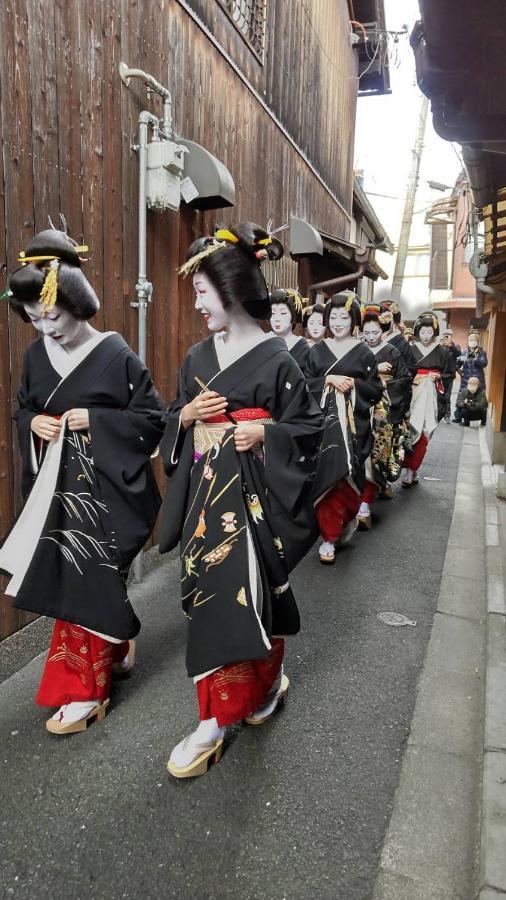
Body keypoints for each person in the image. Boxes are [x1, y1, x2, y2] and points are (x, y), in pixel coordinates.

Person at [158, 223, 323, 779]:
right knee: (211, 600)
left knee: (257, 595)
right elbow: (173, 414)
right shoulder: (196, 357)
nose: (198, 303)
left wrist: (268, 434)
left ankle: (263, 686)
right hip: (207, 499)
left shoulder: (278, 360)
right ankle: (216, 711)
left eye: (203, 292)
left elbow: (308, 428)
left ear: (230, 289)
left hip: (256, 502)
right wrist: (183, 417)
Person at [0, 230, 165, 734]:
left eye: (53, 315)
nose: (45, 327)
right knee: (75, 583)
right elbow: (25, 406)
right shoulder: (35, 357)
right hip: (55, 490)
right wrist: (34, 423)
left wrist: (96, 422)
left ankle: (84, 692)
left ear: (78, 301)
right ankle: (109, 650)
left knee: (90, 581)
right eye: (33, 317)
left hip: (104, 492)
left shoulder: (116, 355)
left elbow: (153, 418)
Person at [305, 292, 383, 563]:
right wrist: (327, 380)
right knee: (327, 475)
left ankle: (342, 523)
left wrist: (352, 385)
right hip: (323, 426)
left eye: (344, 317)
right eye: (333, 317)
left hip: (352, 426)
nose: (338, 322)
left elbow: (375, 389)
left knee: (349, 475)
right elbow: (304, 385)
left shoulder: (363, 353)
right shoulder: (316, 351)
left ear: (354, 320)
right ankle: (328, 536)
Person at [357, 308, 412, 528]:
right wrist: (372, 371)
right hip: (359, 405)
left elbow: (405, 379)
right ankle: (358, 502)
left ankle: (365, 506)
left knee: (375, 456)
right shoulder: (358, 350)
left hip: (383, 410)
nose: (371, 337)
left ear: (383, 330)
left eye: (375, 332)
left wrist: (382, 384)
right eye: (367, 333)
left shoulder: (392, 351)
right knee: (358, 456)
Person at [401, 311, 454, 487]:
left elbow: (450, 373)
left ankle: (413, 469)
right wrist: (412, 377)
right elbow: (403, 371)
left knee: (424, 432)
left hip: (431, 394)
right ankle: (409, 469)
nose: (425, 336)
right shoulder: (410, 348)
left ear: (435, 332)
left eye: (429, 332)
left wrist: (437, 376)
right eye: (422, 332)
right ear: (417, 331)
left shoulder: (442, 351)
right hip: (412, 392)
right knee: (408, 430)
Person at [269, 288, 310, 372]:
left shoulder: (302, 346)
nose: (277, 319)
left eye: (283, 313)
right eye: (273, 313)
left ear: (293, 316)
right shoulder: (264, 340)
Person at [453, 333, 488, 423]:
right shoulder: (464, 352)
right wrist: (460, 370)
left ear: (477, 341)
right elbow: (458, 365)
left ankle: (482, 418)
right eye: (470, 340)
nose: (472, 342)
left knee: (480, 397)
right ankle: (459, 417)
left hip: (478, 379)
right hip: (466, 379)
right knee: (462, 396)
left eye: (474, 340)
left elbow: (484, 363)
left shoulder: (481, 352)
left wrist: (475, 359)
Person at [440, 329, 461, 423]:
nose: (447, 337)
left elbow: (458, 353)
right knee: (438, 396)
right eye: (445, 335)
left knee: (447, 397)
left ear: (452, 336)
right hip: (439, 375)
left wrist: (451, 346)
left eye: (449, 335)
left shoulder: (455, 346)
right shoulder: (439, 346)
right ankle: (438, 414)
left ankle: (447, 415)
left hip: (449, 375)